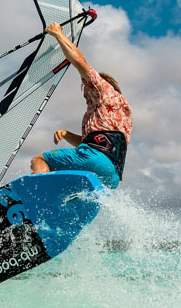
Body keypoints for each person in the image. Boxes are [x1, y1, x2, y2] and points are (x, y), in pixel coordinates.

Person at [29, 21, 132, 188]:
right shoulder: (122, 112)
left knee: (39, 159)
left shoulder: (103, 89)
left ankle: (35, 196)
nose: (84, 94)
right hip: (112, 175)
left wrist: (58, 34)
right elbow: (98, 144)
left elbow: (78, 61)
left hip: (93, 158)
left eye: (85, 89)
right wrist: (67, 134)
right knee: (73, 192)